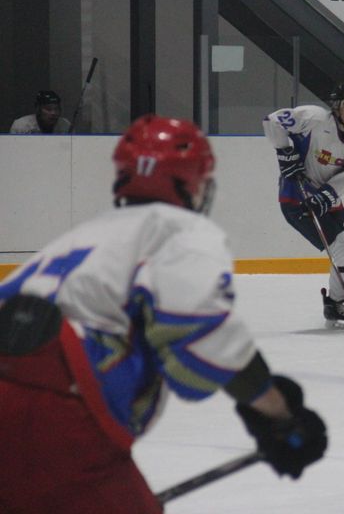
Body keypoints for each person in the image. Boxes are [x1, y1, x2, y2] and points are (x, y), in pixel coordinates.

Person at [0, 114, 327, 513]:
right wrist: (280, 417)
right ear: (193, 182)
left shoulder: (82, 236)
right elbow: (198, 341)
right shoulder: (179, 231)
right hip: (53, 416)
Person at [263, 82, 344, 330]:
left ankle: (334, 303)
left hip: (325, 199)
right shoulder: (313, 118)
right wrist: (284, 151)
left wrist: (326, 196)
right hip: (295, 199)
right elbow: (272, 120)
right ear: (336, 106)